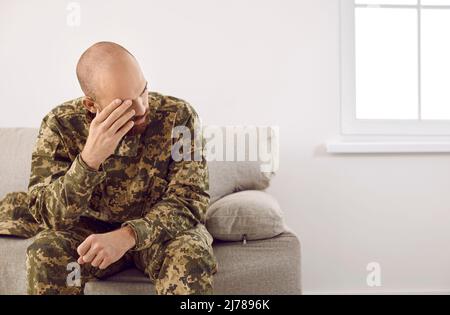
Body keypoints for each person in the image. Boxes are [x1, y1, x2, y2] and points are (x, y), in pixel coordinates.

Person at [0, 41, 217, 295]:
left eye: (143, 91)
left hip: (157, 231)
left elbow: (190, 200)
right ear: (91, 105)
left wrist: (127, 236)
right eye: (124, 103)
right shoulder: (60, 124)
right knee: (45, 251)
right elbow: (48, 216)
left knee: (190, 254)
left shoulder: (178, 116)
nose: (141, 108)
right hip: (90, 233)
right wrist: (89, 160)